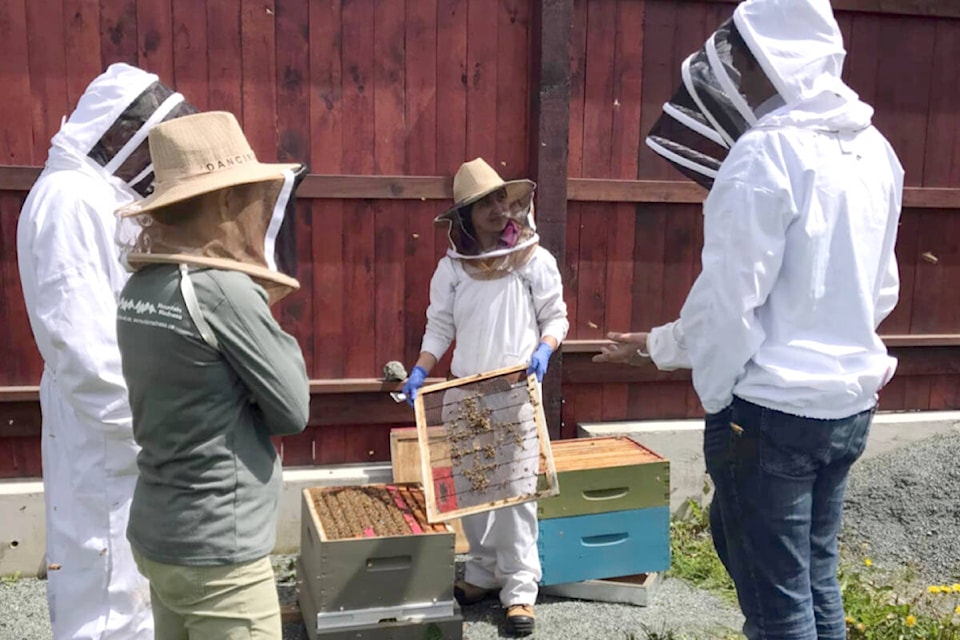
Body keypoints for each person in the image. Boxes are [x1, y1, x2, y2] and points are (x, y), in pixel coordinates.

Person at [594, 1, 904, 639]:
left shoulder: (764, 155)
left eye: (738, 54)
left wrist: (703, 385)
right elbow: (882, 291)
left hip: (771, 418)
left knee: (777, 610)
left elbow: (729, 309)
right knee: (814, 582)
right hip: (846, 409)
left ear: (775, 59)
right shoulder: (876, 151)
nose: (730, 68)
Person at [113, 111, 310, 640]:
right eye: (244, 194)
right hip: (219, 546)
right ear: (224, 200)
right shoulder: (222, 291)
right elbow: (293, 410)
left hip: (159, 530)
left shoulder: (140, 288)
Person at [17, 62, 197, 640]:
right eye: (141, 141)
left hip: (122, 427)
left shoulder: (91, 196)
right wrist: (150, 425)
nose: (147, 159)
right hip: (104, 431)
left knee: (129, 580)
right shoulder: (67, 201)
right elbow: (82, 351)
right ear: (116, 134)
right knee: (104, 587)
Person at [402, 158, 569, 637]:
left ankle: (520, 591)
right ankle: (479, 573)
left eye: (501, 199)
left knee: (517, 496)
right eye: (485, 204)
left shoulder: (535, 259)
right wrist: (420, 369)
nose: (498, 210)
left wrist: (543, 350)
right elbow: (440, 326)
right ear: (465, 217)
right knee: (471, 491)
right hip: (464, 391)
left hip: (515, 390)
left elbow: (556, 317)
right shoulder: (452, 268)